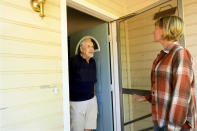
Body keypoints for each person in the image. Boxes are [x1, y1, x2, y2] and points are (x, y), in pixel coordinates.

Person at [134, 16, 197, 131]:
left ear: (165, 30)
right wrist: (146, 98)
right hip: (161, 119)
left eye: (156, 28)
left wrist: (173, 127)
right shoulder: (163, 55)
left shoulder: (180, 54)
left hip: (175, 125)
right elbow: (164, 88)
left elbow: (181, 96)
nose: (154, 31)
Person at [69, 38, 97, 131]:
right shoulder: (73, 61)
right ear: (81, 49)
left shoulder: (93, 61)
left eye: (92, 46)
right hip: (77, 102)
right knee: (78, 128)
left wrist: (94, 96)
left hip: (91, 100)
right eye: (88, 46)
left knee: (89, 127)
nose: (91, 49)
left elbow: (94, 81)